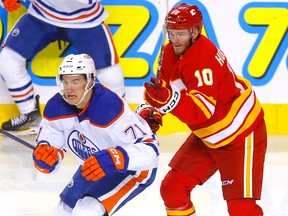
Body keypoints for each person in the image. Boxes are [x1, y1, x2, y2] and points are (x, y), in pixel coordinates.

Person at [142, 3, 267, 216]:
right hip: (210, 135)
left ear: (195, 31)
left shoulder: (203, 57)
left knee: (241, 209)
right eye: (170, 33)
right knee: (172, 189)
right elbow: (161, 90)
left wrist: (168, 101)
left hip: (241, 133)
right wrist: (151, 110)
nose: (174, 39)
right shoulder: (170, 52)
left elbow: (201, 112)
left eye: (180, 33)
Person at [32, 53, 159, 215]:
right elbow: (50, 155)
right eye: (65, 81)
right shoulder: (56, 107)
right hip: (95, 166)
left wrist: (114, 158)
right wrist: (44, 159)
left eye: (76, 81)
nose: (69, 88)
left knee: (86, 211)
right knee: (61, 212)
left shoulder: (109, 107)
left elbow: (151, 151)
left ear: (90, 81)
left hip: (132, 169)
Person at [0, 0, 125, 131]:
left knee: (109, 73)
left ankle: (121, 119)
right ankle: (30, 113)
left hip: (85, 20)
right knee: (8, 61)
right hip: (42, 14)